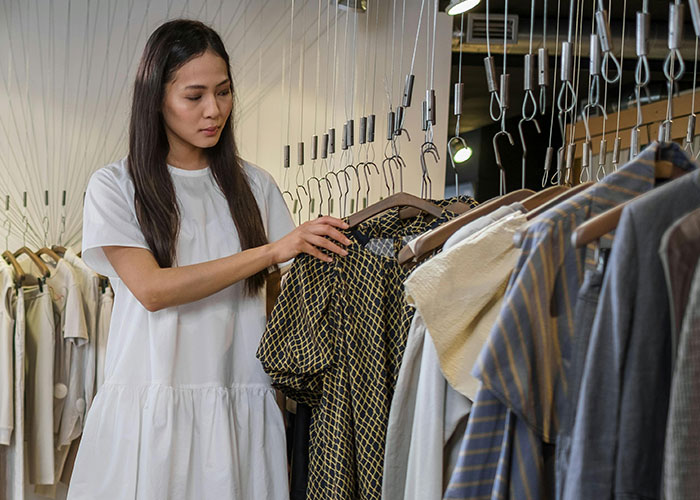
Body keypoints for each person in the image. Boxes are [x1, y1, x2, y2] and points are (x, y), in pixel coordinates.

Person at [67, 19, 350, 500]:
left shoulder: (254, 186)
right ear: (157, 98)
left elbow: (275, 304)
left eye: (224, 92)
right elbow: (153, 291)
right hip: (153, 403)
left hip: (240, 397)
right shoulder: (116, 187)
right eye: (194, 96)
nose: (213, 110)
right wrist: (270, 251)